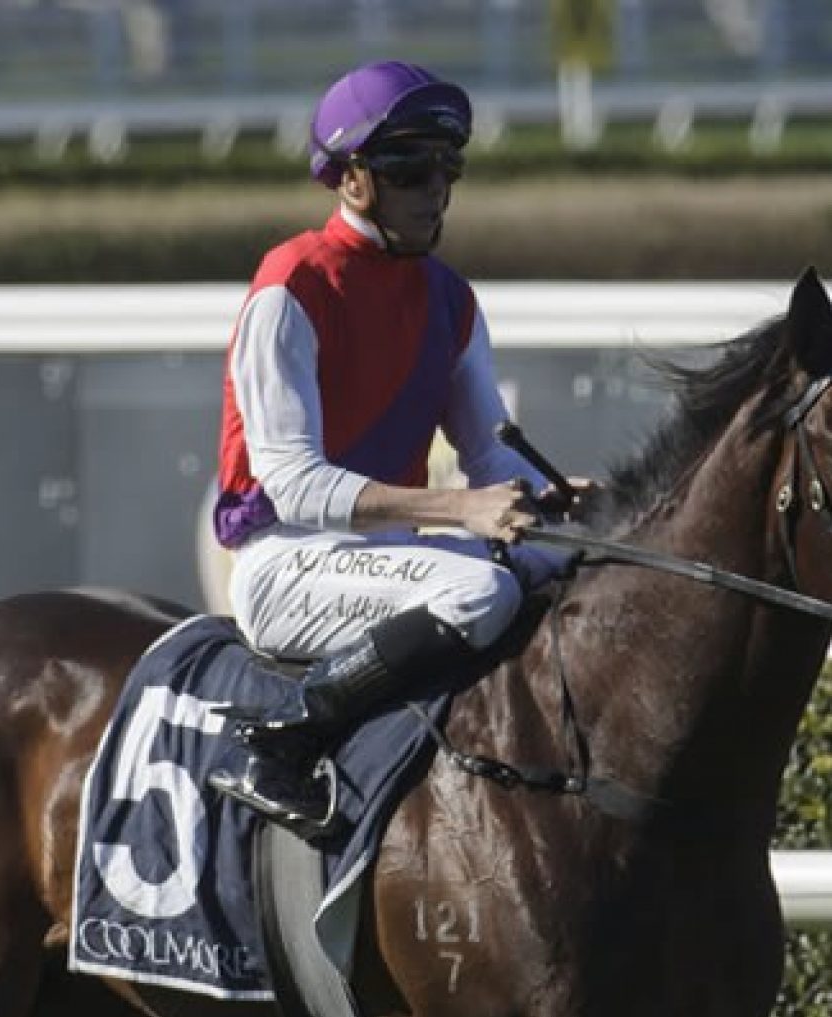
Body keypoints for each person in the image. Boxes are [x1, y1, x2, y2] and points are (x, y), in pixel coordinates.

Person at [208, 59, 591, 832]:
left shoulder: (449, 297)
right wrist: (461, 509)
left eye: (449, 167)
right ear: (353, 178)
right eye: (412, 169)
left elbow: (489, 455)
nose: (435, 188)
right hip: (287, 560)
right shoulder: (292, 284)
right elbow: (295, 486)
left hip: (390, 560)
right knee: (481, 591)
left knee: (580, 561)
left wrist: (555, 496)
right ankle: (283, 739)